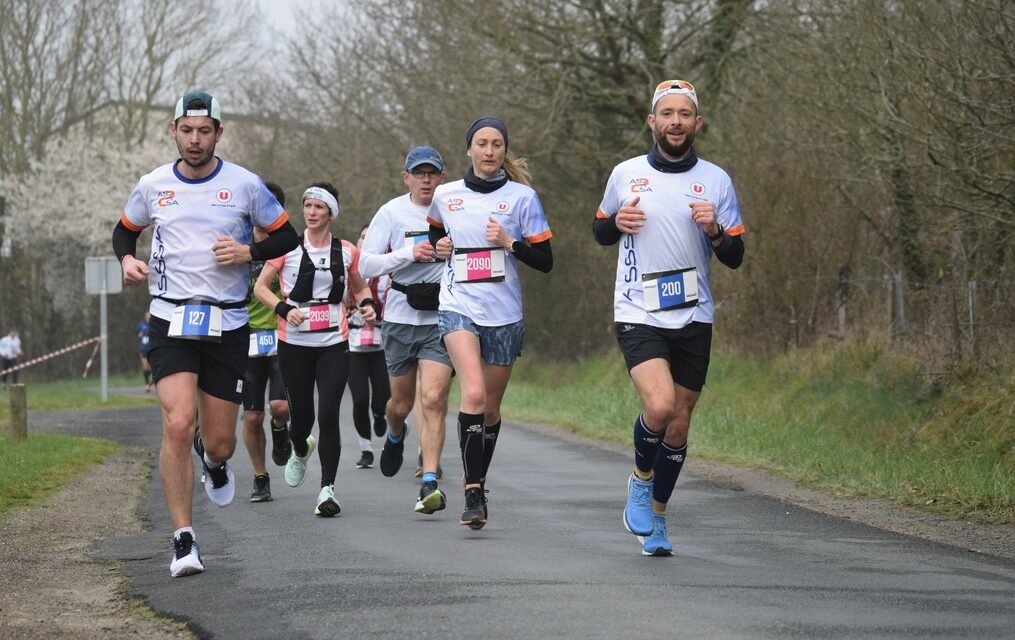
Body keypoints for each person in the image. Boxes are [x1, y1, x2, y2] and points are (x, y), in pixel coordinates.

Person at [111, 91, 299, 578]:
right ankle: (183, 540)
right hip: (170, 319)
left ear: (219, 133)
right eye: (187, 130)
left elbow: (286, 235)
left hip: (228, 323)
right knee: (177, 423)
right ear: (173, 131)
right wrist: (127, 260)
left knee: (220, 444)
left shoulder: (244, 184)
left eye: (205, 131)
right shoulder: (153, 185)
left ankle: (211, 461)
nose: (195, 140)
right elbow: (124, 231)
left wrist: (245, 252)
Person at [593, 79, 745, 556]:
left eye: (685, 114)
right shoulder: (625, 173)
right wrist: (615, 223)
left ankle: (656, 517)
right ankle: (640, 481)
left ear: (697, 123)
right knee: (659, 407)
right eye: (667, 113)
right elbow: (599, 230)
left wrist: (716, 231)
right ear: (652, 121)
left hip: (694, 313)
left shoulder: (717, 181)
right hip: (638, 308)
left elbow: (736, 254)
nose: (675, 122)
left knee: (678, 424)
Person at [428, 120, 553, 528]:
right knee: (475, 394)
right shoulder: (446, 195)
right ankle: (473, 491)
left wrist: (508, 243)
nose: (489, 150)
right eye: (481, 143)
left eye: (497, 144)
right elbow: (434, 233)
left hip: (505, 314)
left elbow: (545, 260)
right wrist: (439, 246)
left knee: (492, 409)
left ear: (504, 151)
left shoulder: (523, 198)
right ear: (469, 149)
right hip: (458, 304)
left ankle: (476, 475)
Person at [254, 182, 377, 518]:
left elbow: (360, 284)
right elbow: (261, 287)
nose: (310, 213)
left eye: (318, 207)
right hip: (294, 345)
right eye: (307, 206)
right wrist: (283, 309)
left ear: (331, 213)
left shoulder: (347, 251)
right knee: (302, 419)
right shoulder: (286, 248)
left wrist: (367, 304)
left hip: (333, 345)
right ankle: (298, 447)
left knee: (328, 415)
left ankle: (327, 490)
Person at [359, 145, 455, 516]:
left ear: (442, 177)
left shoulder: (454, 208)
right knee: (400, 404)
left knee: (433, 399)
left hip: (441, 316)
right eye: (419, 173)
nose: (426, 179)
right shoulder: (391, 211)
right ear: (407, 178)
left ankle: (429, 481)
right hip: (400, 318)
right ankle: (395, 433)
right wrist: (408, 254)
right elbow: (366, 264)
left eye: (432, 173)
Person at [240, 182, 293, 502]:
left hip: (281, 336)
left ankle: (280, 429)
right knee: (251, 416)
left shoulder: (288, 248)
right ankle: (261, 477)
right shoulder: (239, 246)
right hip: (244, 339)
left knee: (280, 406)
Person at [345, 225, 390, 470]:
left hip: (381, 345)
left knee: (382, 398)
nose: (365, 242)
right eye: (362, 237)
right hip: (353, 348)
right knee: (360, 398)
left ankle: (381, 414)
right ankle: (365, 448)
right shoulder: (343, 273)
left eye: (370, 238)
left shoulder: (384, 274)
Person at [136, 313, 152, 389]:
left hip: (152, 349)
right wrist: (140, 334)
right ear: (145, 317)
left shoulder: (154, 325)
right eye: (147, 316)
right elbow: (137, 334)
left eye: (149, 316)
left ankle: (150, 381)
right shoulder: (141, 325)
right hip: (143, 349)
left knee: (150, 368)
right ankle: (147, 383)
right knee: (145, 366)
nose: (148, 317)